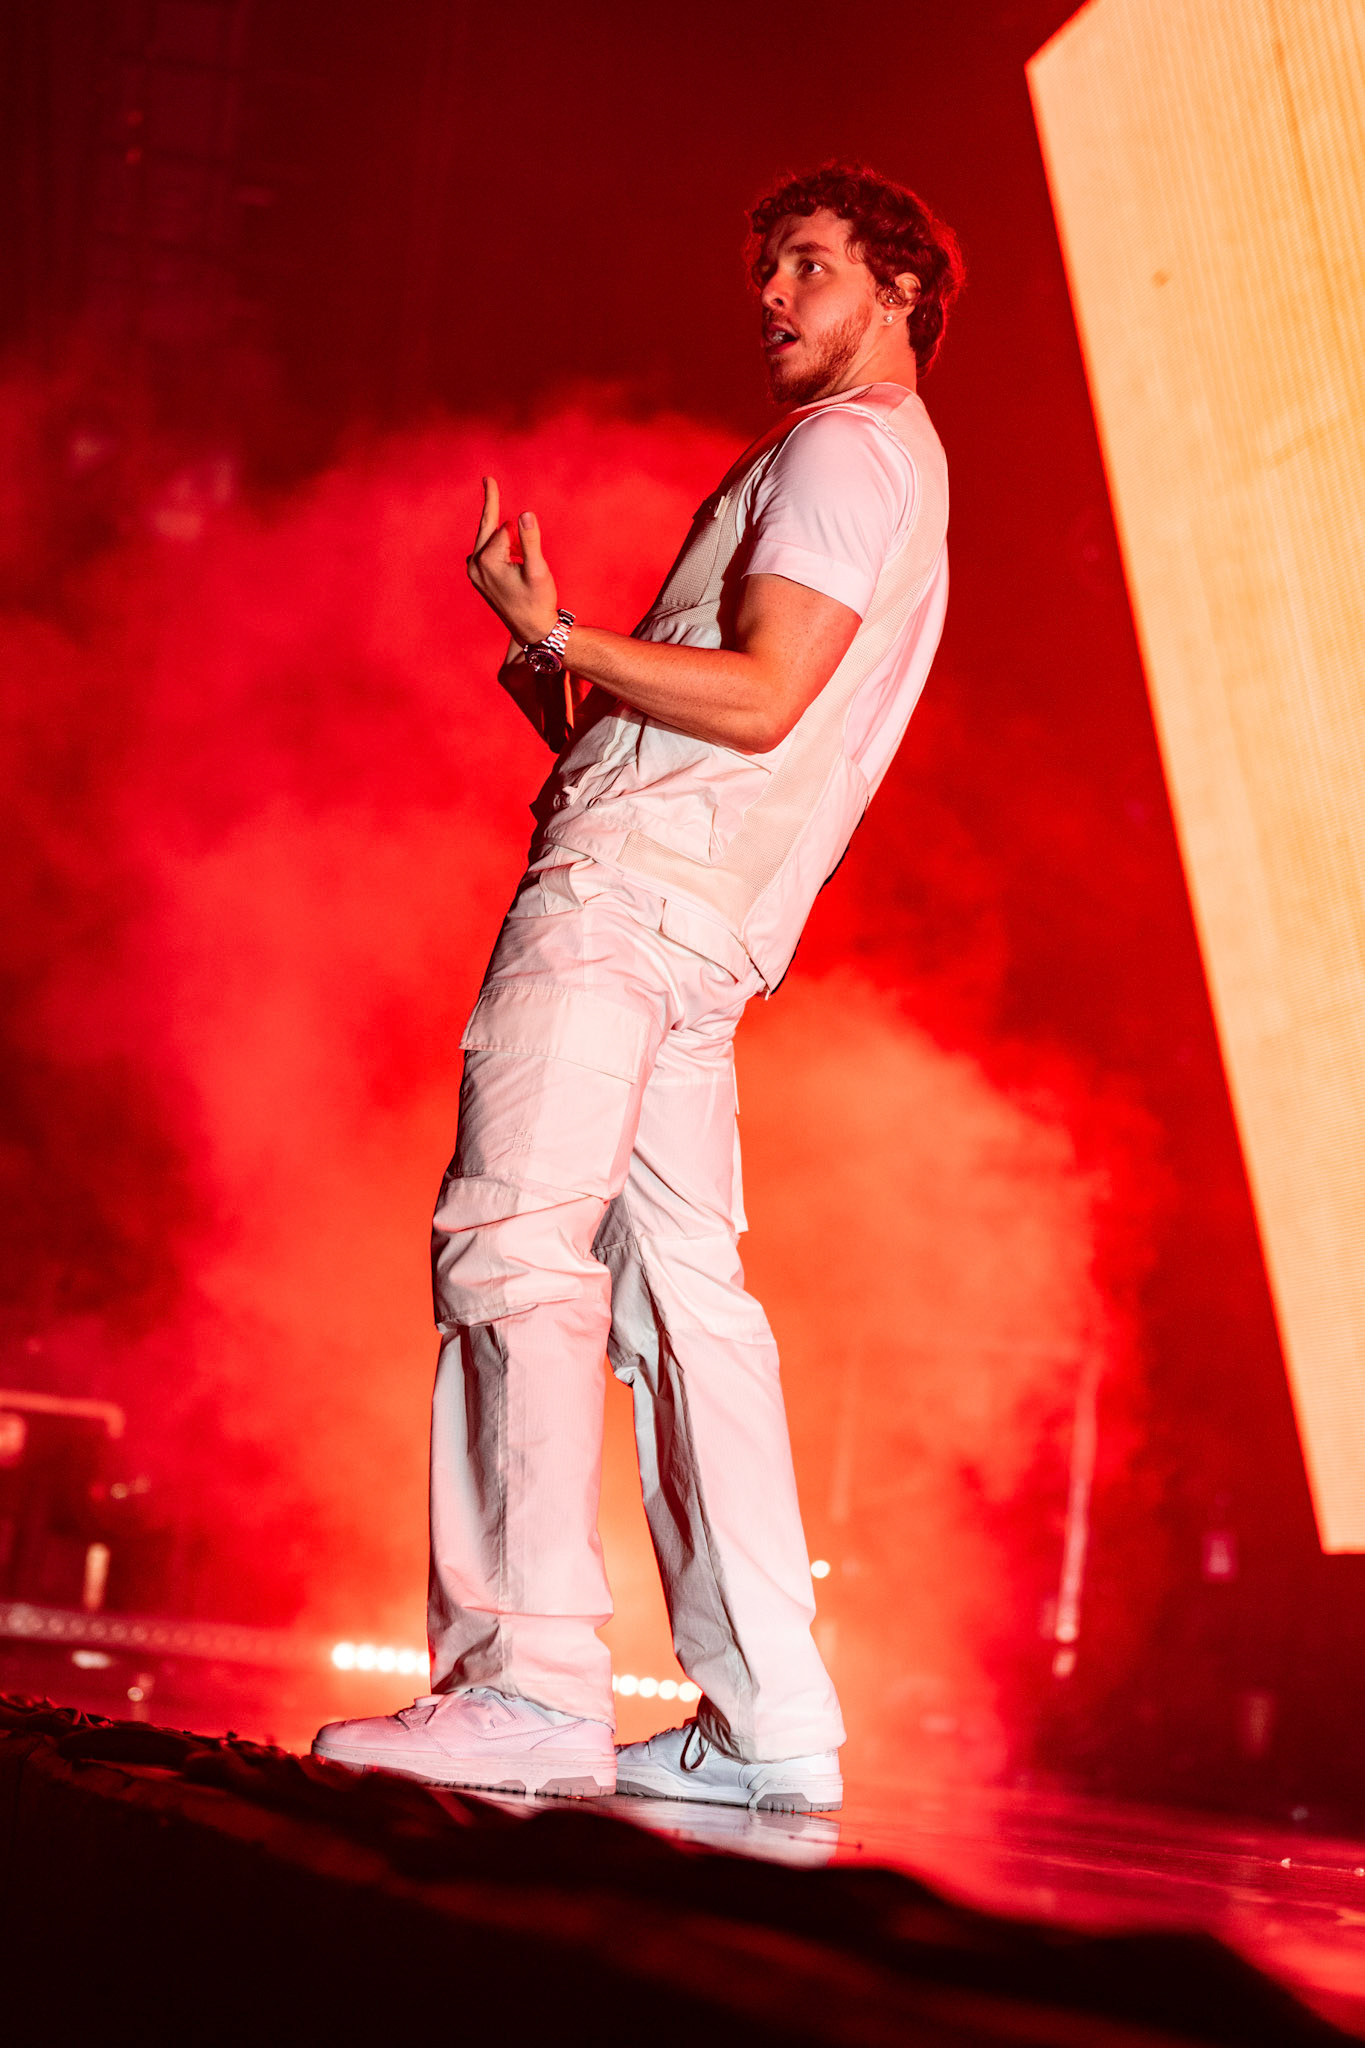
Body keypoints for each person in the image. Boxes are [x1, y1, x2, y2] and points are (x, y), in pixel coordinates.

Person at [314, 162, 963, 1812]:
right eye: (765, 271)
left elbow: (756, 699)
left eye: (805, 265)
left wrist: (572, 637)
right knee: (683, 1308)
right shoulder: (895, 469)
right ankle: (767, 1723)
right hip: (696, 920)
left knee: (513, 1245)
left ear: (897, 286)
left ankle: (524, 1682)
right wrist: (548, 654)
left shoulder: (840, 450)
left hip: (622, 906)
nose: (769, 297)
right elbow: (702, 732)